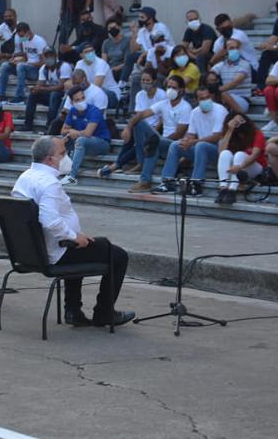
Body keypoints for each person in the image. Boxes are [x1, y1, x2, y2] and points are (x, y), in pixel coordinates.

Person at [12, 136, 134, 327]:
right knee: (116, 255)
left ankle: (73, 310)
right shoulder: (49, 183)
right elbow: (50, 221)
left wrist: (75, 237)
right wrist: (74, 236)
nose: (66, 157)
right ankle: (104, 313)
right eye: (62, 153)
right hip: (55, 251)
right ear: (49, 159)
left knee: (85, 246)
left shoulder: (25, 176)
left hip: (33, 251)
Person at [152, 83, 228, 195]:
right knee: (175, 145)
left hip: (219, 151)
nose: (206, 100)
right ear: (196, 100)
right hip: (200, 149)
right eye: (202, 98)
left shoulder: (220, 110)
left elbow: (216, 136)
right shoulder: (195, 112)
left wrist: (193, 142)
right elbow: (191, 134)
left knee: (201, 145)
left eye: (208, 97)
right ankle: (167, 183)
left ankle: (196, 185)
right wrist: (185, 141)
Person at [127, 75, 192, 193]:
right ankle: (142, 162)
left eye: (174, 87)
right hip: (160, 142)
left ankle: (145, 181)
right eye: (168, 87)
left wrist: (159, 140)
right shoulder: (163, 104)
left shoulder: (186, 107)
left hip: (174, 145)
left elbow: (179, 133)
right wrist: (128, 127)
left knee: (154, 141)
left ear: (181, 90)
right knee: (139, 122)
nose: (170, 90)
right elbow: (142, 114)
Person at [100, 68, 165, 178]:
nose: (144, 83)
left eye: (147, 80)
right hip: (142, 128)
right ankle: (118, 164)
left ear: (154, 81)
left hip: (157, 129)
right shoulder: (140, 94)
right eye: (143, 80)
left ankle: (119, 164)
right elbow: (138, 116)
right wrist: (129, 128)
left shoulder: (162, 95)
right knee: (131, 133)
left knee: (139, 135)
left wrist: (151, 132)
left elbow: (162, 119)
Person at [59, 87, 112, 187]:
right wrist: (71, 131)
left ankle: (72, 176)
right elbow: (63, 131)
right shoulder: (72, 111)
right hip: (84, 142)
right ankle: (59, 169)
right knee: (60, 140)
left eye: (83, 98)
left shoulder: (94, 111)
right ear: (71, 101)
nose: (81, 101)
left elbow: (88, 133)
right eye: (77, 100)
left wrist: (75, 133)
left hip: (101, 143)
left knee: (81, 140)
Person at [215, 113, 266, 205]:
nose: (238, 123)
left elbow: (254, 155)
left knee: (239, 155)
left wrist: (239, 167)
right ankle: (223, 189)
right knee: (225, 154)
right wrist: (230, 130)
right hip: (237, 169)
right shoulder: (232, 134)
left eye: (241, 121)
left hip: (255, 167)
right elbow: (221, 152)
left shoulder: (257, 133)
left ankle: (232, 190)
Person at [121, 6, 173, 88]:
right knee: (130, 56)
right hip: (149, 56)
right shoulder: (142, 31)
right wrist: (134, 33)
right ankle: (122, 83)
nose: (140, 20)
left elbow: (160, 47)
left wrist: (143, 55)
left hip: (165, 56)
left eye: (142, 17)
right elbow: (134, 49)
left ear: (150, 18)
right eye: (139, 17)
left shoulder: (160, 27)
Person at [0, 22, 47, 105]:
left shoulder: (39, 41)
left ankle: (20, 96)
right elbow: (25, 56)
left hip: (36, 71)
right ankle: (1, 95)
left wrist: (26, 63)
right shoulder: (24, 39)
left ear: (28, 32)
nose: (21, 38)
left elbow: (44, 62)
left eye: (22, 36)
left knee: (21, 66)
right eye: (20, 36)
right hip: (26, 68)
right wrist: (15, 59)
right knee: (5, 65)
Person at [23, 48, 71, 132]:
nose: (49, 59)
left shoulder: (64, 66)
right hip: (51, 96)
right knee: (33, 95)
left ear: (55, 56)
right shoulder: (43, 69)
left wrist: (41, 88)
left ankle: (49, 125)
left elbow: (61, 86)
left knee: (54, 94)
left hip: (63, 97)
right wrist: (35, 89)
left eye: (51, 56)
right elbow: (40, 84)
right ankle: (28, 124)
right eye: (46, 56)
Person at [212, 38, 254, 113]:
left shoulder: (245, 64)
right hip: (224, 98)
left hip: (242, 100)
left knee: (224, 95)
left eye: (237, 48)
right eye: (231, 48)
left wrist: (217, 90)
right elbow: (209, 75)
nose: (235, 50)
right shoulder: (222, 65)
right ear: (225, 51)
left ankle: (241, 116)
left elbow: (235, 82)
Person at [74, 43, 121, 109]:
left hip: (111, 95)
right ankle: (62, 116)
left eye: (92, 50)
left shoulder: (101, 63)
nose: (90, 53)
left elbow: (97, 86)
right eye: (87, 52)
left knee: (94, 92)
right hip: (92, 93)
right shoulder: (79, 64)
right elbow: (75, 82)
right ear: (81, 55)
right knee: (72, 93)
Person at [181, 10, 217, 74]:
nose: (193, 22)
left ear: (199, 19)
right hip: (195, 55)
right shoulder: (189, 31)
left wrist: (194, 51)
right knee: (180, 57)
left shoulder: (207, 29)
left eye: (195, 19)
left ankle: (202, 77)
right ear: (187, 22)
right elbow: (182, 48)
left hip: (211, 55)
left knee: (200, 57)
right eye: (191, 20)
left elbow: (205, 50)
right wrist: (193, 55)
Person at [102, 17, 131, 84]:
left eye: (114, 27)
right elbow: (104, 62)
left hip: (122, 69)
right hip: (109, 70)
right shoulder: (106, 43)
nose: (112, 29)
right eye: (110, 28)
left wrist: (114, 69)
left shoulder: (126, 41)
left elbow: (127, 62)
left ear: (119, 27)